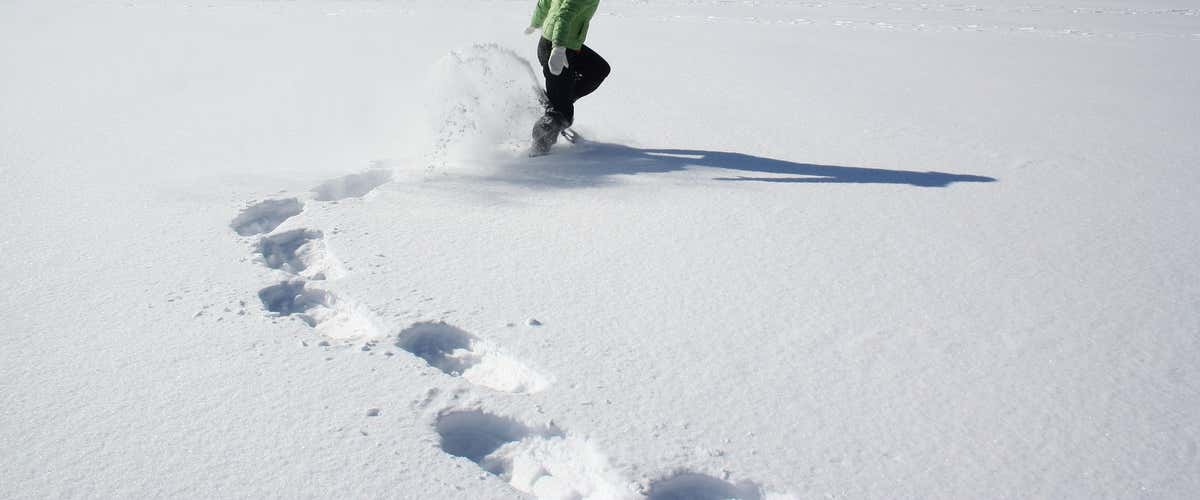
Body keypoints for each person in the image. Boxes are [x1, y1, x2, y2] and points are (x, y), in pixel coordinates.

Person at [525, 0, 610, 154]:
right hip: (558, 50)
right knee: (563, 115)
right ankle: (539, 148)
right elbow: (564, 16)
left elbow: (545, 2)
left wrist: (535, 22)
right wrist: (558, 48)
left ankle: (559, 100)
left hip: (565, 45)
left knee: (598, 69)